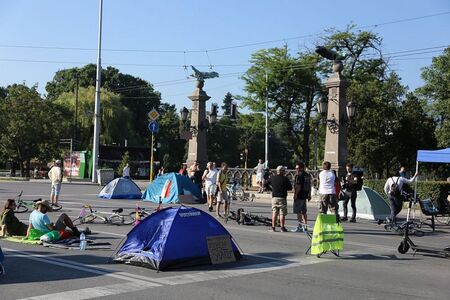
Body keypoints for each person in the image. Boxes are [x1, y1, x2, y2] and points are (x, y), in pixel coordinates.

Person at [265, 165, 292, 232]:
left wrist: (271, 189)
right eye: (284, 171)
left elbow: (265, 184)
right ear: (281, 171)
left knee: (274, 213)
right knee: (282, 213)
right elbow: (290, 188)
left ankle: (273, 227)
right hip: (282, 197)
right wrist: (284, 188)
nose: (285, 172)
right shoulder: (285, 179)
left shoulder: (272, 178)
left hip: (274, 197)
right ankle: (282, 228)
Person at [292, 163, 311, 232]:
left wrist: (295, 195)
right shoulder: (307, 175)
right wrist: (309, 195)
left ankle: (299, 226)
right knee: (304, 212)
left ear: (302, 168)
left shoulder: (299, 175)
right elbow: (309, 186)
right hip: (305, 195)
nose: (296, 170)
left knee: (298, 212)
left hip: (299, 195)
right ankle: (305, 226)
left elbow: (298, 186)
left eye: (297, 168)